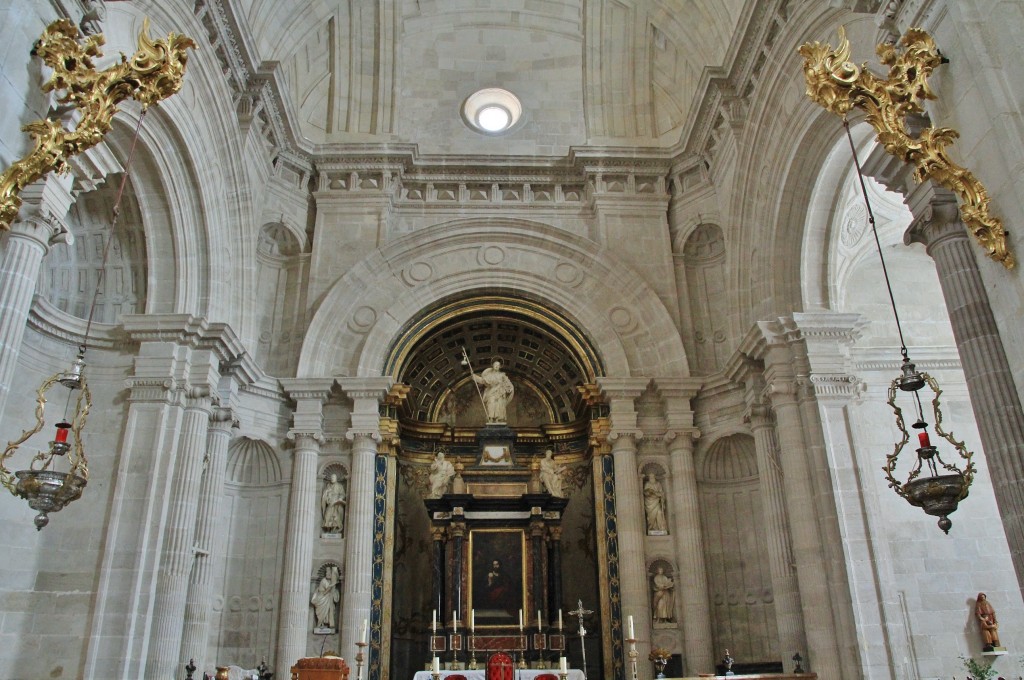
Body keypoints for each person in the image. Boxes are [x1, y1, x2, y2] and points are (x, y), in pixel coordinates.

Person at [311, 566, 339, 630]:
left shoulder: (330, 582)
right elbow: (327, 591)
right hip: (322, 598)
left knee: (329, 611)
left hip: (327, 598)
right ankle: (319, 624)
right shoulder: (323, 581)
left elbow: (333, 591)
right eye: (326, 573)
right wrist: (333, 584)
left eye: (329, 574)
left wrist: (334, 589)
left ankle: (326, 624)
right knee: (321, 613)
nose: (327, 574)